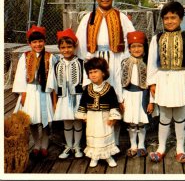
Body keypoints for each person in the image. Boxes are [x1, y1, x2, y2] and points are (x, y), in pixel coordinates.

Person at [76, 0, 135, 146]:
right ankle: (95, 144)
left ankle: (113, 143)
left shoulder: (121, 17)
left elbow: (129, 39)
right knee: (95, 100)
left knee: (113, 100)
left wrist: (124, 62)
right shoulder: (88, 18)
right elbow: (80, 41)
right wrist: (89, 60)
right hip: (95, 61)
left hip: (115, 61)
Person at [147, 1, 185, 163]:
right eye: (166, 18)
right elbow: (152, 62)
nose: (170, 21)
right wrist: (152, 83)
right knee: (164, 116)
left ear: (181, 19)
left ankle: (180, 148)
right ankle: (161, 147)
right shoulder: (156, 38)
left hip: (181, 80)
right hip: (163, 80)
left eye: (173, 17)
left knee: (179, 115)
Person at [12, 25, 57, 158]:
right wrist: (23, 94)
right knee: (31, 119)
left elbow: (53, 80)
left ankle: (44, 144)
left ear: (44, 41)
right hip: (30, 91)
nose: (38, 44)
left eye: (40, 41)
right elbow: (20, 77)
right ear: (29, 43)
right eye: (34, 42)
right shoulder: (25, 57)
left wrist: (53, 99)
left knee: (44, 119)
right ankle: (36, 144)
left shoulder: (50, 57)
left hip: (45, 91)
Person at [75, 57, 121, 168]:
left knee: (105, 136)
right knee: (93, 136)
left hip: (104, 118)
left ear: (103, 73)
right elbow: (83, 102)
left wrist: (113, 117)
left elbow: (114, 103)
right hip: (92, 117)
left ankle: (107, 156)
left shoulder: (109, 88)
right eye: (90, 72)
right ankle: (94, 156)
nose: (93, 75)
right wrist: (83, 115)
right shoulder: (87, 89)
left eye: (96, 71)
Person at [48, 28, 86, 159]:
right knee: (67, 123)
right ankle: (68, 146)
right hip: (63, 98)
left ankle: (77, 146)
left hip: (78, 97)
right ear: (59, 48)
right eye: (63, 47)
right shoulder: (57, 65)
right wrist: (54, 103)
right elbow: (52, 85)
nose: (66, 50)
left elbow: (86, 84)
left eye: (69, 47)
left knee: (77, 122)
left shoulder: (81, 63)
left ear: (75, 47)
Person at [121, 31, 154, 158]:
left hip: (142, 96)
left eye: (139, 46)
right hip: (129, 96)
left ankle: (141, 145)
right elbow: (121, 82)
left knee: (141, 122)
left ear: (144, 48)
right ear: (129, 49)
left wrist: (151, 101)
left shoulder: (147, 64)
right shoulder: (124, 63)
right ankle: (133, 145)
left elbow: (151, 85)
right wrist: (121, 100)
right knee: (131, 123)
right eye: (133, 46)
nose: (136, 49)